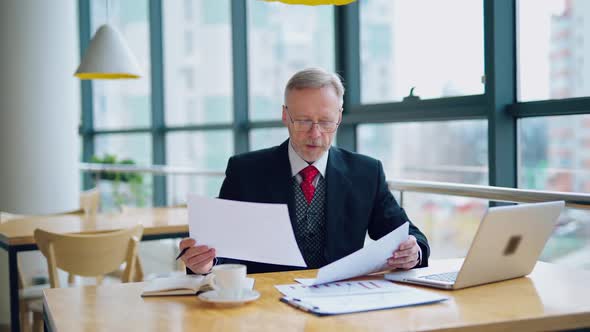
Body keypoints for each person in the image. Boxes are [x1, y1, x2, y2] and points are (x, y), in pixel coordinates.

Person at [179, 68, 429, 274]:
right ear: (285, 116)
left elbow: (407, 234)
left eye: (326, 121)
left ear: (339, 117)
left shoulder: (366, 172)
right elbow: (219, 251)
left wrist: (413, 251)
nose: (315, 133)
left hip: (340, 302)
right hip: (267, 305)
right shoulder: (245, 171)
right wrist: (203, 263)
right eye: (303, 121)